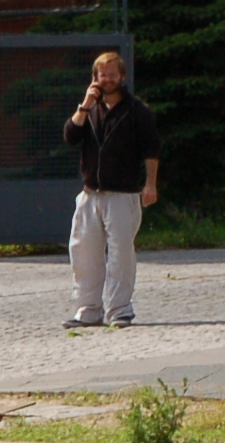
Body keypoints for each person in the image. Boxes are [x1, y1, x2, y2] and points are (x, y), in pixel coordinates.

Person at [63, 50, 159, 331]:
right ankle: (89, 309)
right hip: (90, 195)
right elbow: (70, 135)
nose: (107, 79)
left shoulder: (137, 111)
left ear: (122, 77)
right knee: (83, 253)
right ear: (95, 78)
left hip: (123, 195)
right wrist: (84, 104)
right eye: (102, 75)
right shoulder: (89, 110)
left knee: (120, 254)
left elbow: (151, 150)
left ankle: (120, 309)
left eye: (112, 74)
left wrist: (150, 184)